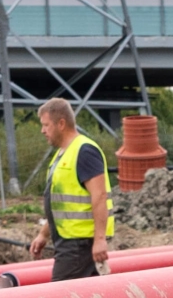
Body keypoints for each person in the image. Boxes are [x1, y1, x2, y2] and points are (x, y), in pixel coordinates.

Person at [25, 98, 113, 280]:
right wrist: (44, 234)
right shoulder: (62, 154)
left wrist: (99, 240)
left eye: (46, 125)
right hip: (69, 242)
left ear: (61, 124)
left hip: (79, 245)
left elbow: (100, 195)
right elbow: (62, 206)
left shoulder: (84, 151)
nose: (43, 131)